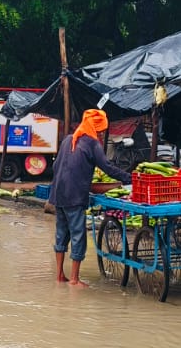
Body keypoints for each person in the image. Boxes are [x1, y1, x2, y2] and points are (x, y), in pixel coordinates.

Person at [50, 109, 132, 287]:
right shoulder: (92, 144)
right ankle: (74, 279)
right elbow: (107, 168)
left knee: (61, 234)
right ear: (95, 128)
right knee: (78, 235)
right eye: (100, 130)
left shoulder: (67, 140)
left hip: (58, 194)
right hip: (74, 196)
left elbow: (56, 165)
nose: (101, 134)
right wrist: (129, 178)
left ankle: (59, 276)